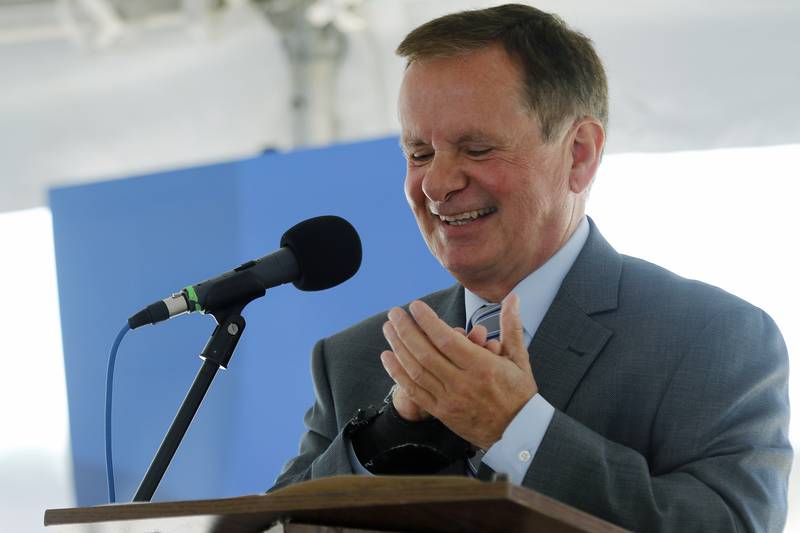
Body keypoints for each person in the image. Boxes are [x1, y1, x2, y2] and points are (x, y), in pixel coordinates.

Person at [272, 4, 791, 531]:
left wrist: (517, 428)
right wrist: (385, 437)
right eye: (419, 153)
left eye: (476, 148)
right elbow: (272, 527)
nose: (435, 185)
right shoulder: (355, 360)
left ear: (579, 155)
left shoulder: (714, 337)